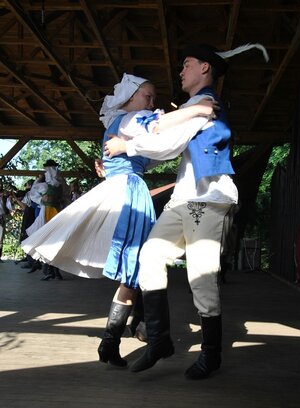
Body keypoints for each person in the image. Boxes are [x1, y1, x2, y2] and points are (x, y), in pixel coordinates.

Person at [21, 73, 216, 367]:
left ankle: (117, 339)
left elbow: (155, 152)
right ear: (128, 99)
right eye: (147, 96)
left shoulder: (125, 125)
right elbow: (156, 127)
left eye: (152, 98)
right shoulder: (129, 120)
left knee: (135, 270)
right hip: (129, 193)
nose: (151, 102)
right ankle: (132, 334)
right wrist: (198, 110)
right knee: (138, 267)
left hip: (126, 188)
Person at [104, 43, 269, 379]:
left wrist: (126, 146)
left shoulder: (203, 103)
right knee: (149, 257)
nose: (181, 71)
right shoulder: (193, 105)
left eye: (187, 64)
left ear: (205, 69)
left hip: (210, 198)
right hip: (184, 200)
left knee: (201, 277)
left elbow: (168, 144)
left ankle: (211, 354)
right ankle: (160, 340)